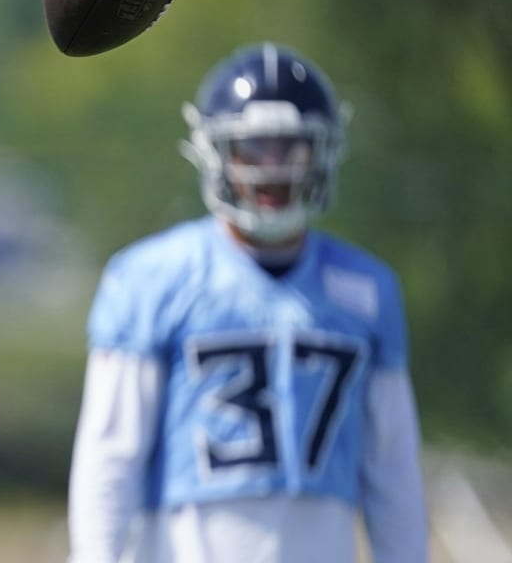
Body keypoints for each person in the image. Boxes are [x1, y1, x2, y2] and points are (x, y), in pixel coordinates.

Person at [66, 42, 428, 563]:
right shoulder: (151, 279)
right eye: (253, 149)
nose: (273, 169)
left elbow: (393, 473)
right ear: (216, 154)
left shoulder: (367, 290)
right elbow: (110, 459)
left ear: (323, 153)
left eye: (292, 148)